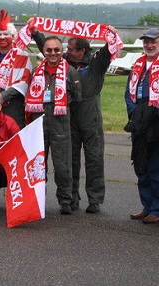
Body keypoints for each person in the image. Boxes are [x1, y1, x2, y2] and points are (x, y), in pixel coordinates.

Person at [25, 35, 81, 215]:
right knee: (39, 165)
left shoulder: (70, 71)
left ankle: (65, 200)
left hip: (60, 124)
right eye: (49, 50)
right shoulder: (36, 71)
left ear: (62, 51)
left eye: (56, 50)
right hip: (39, 122)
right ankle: (38, 199)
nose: (53, 53)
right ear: (44, 52)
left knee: (62, 166)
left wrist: (61, 104)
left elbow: (77, 97)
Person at [64, 32, 118, 214]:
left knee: (94, 158)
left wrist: (111, 34)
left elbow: (110, 49)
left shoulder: (96, 62)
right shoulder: (65, 61)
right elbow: (47, 50)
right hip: (70, 114)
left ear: (82, 51)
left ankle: (94, 199)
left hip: (90, 115)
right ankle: (72, 197)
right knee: (71, 158)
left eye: (71, 49)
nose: (67, 52)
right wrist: (36, 34)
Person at [124, 28, 159, 224]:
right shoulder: (138, 64)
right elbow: (129, 91)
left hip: (158, 121)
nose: (149, 45)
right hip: (139, 121)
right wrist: (135, 112)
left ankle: (158, 209)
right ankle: (147, 206)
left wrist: (158, 119)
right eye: (146, 41)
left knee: (157, 167)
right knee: (141, 165)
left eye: (153, 41)